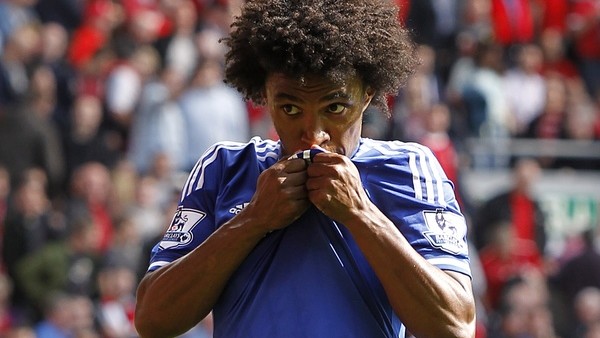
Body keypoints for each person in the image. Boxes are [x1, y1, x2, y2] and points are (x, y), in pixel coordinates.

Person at [135, 0, 476, 337]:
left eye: (335, 107)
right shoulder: (224, 167)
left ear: (368, 95)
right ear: (264, 96)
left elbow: (456, 326)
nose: (314, 135)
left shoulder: (411, 170)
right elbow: (152, 319)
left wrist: (361, 214)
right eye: (290, 108)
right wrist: (252, 220)